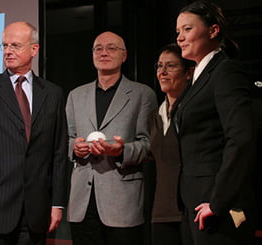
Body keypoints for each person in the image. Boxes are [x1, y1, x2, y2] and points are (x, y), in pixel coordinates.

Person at [0, 22, 68, 244]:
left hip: (35, 214)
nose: (8, 51)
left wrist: (57, 204)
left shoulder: (53, 94)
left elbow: (58, 154)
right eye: (4, 45)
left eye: (16, 46)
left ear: (34, 49)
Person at [174, 1, 256, 244]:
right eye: (178, 32)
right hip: (194, 203)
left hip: (216, 205)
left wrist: (218, 201)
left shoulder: (225, 71)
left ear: (213, 30)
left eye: (187, 29)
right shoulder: (198, 77)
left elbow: (241, 138)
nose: (180, 38)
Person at [65, 31, 157, 245]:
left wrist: (121, 151)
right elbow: (67, 139)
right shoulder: (76, 95)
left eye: (111, 48)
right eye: (98, 48)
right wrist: (74, 149)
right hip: (82, 201)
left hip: (122, 200)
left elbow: (150, 145)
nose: (104, 52)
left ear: (124, 56)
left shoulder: (142, 94)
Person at [148, 43, 195, 245]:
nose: (163, 72)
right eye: (159, 66)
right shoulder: (155, 115)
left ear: (189, 73)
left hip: (191, 210)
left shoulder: (195, 112)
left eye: (171, 66)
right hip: (161, 212)